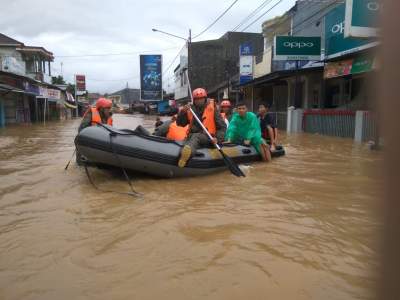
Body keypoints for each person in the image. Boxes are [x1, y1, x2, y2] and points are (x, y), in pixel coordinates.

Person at [176, 88, 226, 167]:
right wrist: (182, 112)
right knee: (190, 139)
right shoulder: (190, 109)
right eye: (197, 99)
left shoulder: (213, 109)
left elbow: (222, 127)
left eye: (201, 98)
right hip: (191, 136)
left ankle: (185, 156)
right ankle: (185, 152)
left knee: (196, 137)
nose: (199, 101)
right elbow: (180, 124)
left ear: (205, 98)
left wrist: (218, 138)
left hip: (209, 138)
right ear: (194, 100)